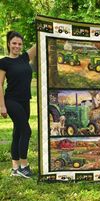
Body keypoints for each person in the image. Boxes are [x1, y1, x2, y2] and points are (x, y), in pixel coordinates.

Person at [0, 31, 36, 178]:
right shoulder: (4, 62)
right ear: (9, 43)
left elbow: (39, 42)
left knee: (18, 132)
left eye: (20, 44)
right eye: (14, 43)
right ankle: (24, 165)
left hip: (25, 100)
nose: (17, 46)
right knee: (26, 131)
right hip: (12, 101)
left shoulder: (25, 57)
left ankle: (15, 167)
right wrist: (2, 106)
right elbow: (0, 84)